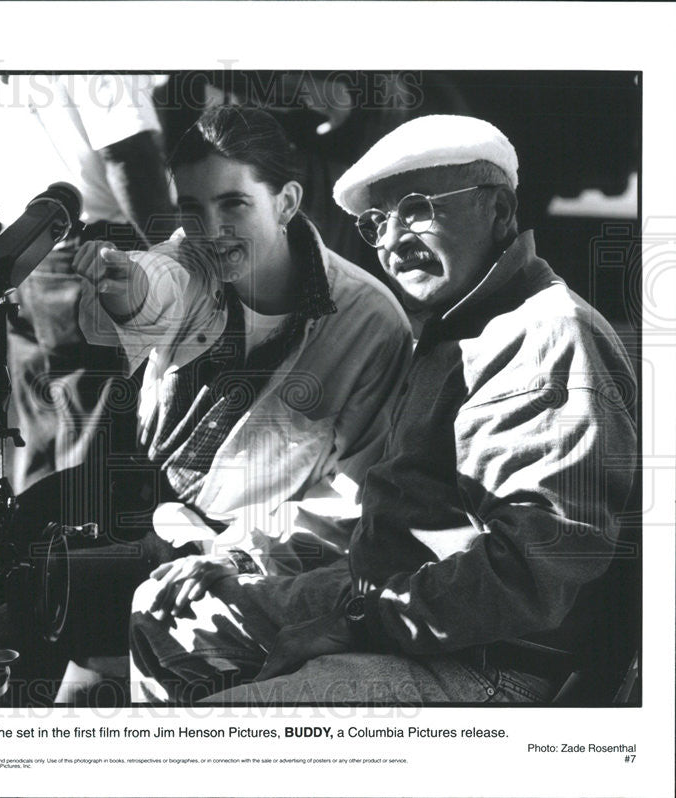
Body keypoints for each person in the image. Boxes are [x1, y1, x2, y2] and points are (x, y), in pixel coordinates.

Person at [129, 114, 638, 704]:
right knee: (165, 613)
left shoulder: (547, 335)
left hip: (489, 664)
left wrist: (353, 623)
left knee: (213, 735)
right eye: (377, 223)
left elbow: (527, 576)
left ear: (500, 212)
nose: (393, 241)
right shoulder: (457, 330)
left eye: (418, 207)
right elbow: (374, 516)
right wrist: (240, 562)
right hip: (399, 607)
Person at [30, 106, 409, 702]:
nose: (212, 229)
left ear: (286, 203)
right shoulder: (190, 258)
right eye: (192, 209)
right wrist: (128, 288)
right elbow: (161, 285)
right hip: (148, 505)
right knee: (6, 564)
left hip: (252, 553)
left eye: (234, 204)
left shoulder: (371, 323)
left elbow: (351, 505)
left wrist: (234, 555)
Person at [0, 74, 176, 491]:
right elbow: (127, 153)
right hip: (88, 249)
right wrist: (180, 261)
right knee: (95, 436)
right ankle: (75, 547)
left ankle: (33, 548)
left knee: (46, 431)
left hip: (23, 248)